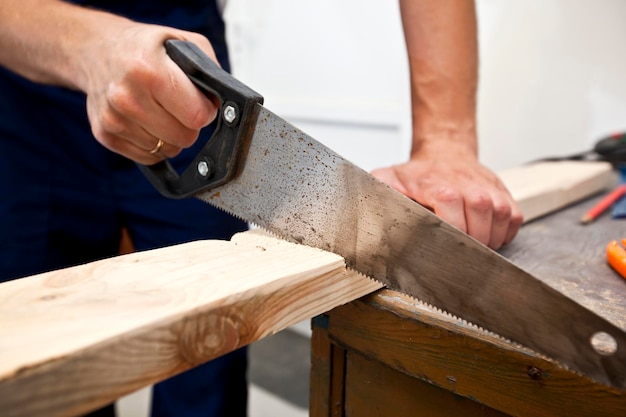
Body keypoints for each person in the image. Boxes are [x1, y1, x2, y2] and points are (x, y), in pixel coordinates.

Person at [0, 0, 523, 416]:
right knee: (46, 361)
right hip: (27, 97)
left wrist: (448, 140)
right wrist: (88, 48)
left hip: (186, 87)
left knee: (210, 342)